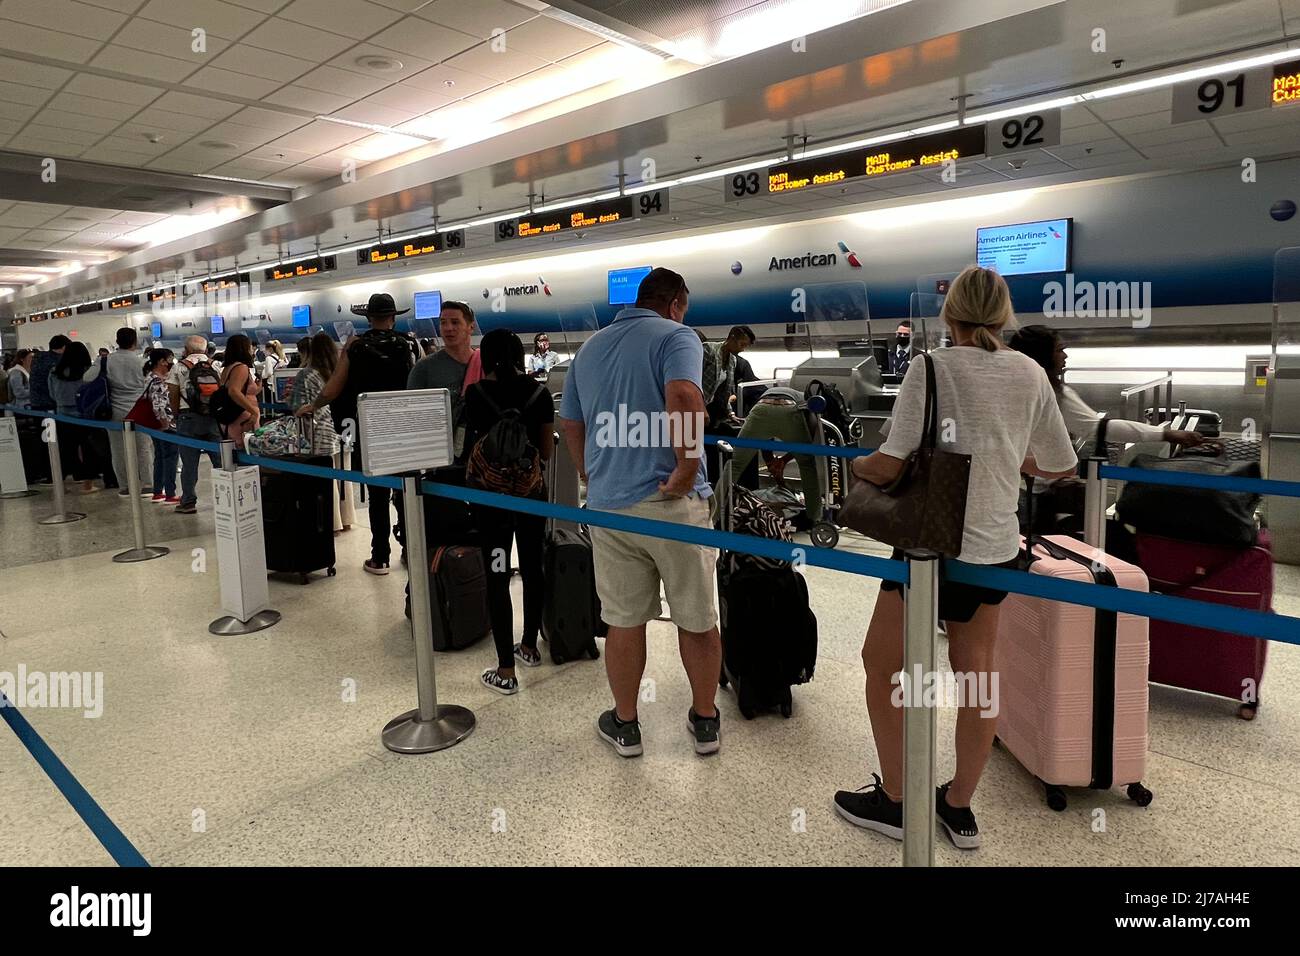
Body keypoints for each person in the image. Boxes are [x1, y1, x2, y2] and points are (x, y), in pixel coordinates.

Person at [833, 266, 1078, 850]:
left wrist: (856, 466)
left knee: (881, 664)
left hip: (927, 548)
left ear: (951, 316)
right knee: (979, 679)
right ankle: (959, 808)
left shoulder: (931, 366)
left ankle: (895, 799)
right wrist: (1005, 460)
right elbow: (1058, 464)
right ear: (1004, 314)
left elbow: (892, 463)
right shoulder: (1029, 372)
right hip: (994, 550)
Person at [558, 267, 722, 758]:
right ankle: (705, 720)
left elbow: (570, 423)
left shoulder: (589, 348)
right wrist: (688, 467)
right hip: (671, 503)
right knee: (696, 618)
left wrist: (588, 471)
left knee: (624, 621)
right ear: (674, 303)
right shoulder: (677, 336)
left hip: (611, 509)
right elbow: (685, 395)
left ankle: (626, 724)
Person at [1007, 325, 1209, 532]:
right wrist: (1166, 434)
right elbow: (1099, 428)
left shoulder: (1011, 386)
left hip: (1014, 488)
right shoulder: (1051, 392)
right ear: (1042, 355)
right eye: (1059, 349)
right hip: (1028, 494)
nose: (1065, 356)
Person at [297, 293, 419, 574]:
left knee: (377, 495)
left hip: (371, 429)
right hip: (404, 428)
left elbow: (335, 387)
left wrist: (313, 405)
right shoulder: (409, 344)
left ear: (368, 317)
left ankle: (380, 557)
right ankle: (410, 550)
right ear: (393, 317)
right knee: (406, 492)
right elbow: (417, 383)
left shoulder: (356, 346)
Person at [463, 329, 554, 695]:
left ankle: (505, 669)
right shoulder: (540, 392)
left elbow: (469, 443)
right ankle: (529, 646)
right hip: (531, 497)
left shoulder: (476, 394)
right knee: (533, 567)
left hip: (492, 503)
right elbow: (546, 452)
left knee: (498, 574)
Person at [291, 332, 354, 533]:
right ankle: (347, 519)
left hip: (319, 433)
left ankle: (332, 522)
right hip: (345, 430)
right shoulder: (342, 373)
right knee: (345, 477)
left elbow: (298, 406)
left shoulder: (306, 375)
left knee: (327, 480)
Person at [408, 300, 478, 456]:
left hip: (479, 456)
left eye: (455, 322)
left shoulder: (483, 364)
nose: (448, 328)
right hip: (439, 456)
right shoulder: (424, 368)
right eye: (443, 323)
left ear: (470, 327)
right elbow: (412, 415)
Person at [47, 341, 101, 494]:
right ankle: (87, 484)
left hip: (63, 415)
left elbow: (51, 394)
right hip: (85, 416)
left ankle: (61, 484)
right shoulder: (87, 372)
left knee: (65, 451)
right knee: (88, 450)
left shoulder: (54, 372)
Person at [105, 327, 153, 497]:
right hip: (139, 410)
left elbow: (88, 378)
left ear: (117, 341)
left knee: (118, 450)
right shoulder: (141, 362)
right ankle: (147, 484)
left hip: (115, 411)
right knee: (143, 448)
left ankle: (125, 486)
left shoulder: (106, 361)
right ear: (135, 341)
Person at [142, 348, 180, 503]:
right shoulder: (158, 380)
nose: (171, 362)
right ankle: (170, 493)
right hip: (164, 425)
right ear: (161, 361)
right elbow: (158, 405)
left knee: (160, 456)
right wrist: (165, 423)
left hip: (154, 425)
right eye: (169, 359)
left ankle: (158, 491)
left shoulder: (149, 376)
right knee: (171, 456)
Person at [218, 334, 261, 450]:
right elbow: (234, 391)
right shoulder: (241, 367)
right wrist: (253, 412)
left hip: (234, 415)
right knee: (246, 450)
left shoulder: (228, 368)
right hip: (243, 417)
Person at [706, 325, 756, 424]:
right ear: (732, 338)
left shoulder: (733, 360)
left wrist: (730, 413)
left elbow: (724, 392)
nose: (743, 349)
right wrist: (699, 408)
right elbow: (692, 383)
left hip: (711, 409)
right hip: (693, 408)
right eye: (742, 344)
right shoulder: (708, 350)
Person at [29, 335, 69, 412]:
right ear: (64, 347)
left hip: (35, 401)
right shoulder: (58, 361)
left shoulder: (37, 358)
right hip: (51, 403)